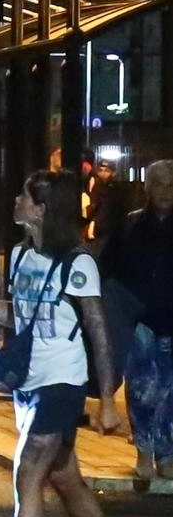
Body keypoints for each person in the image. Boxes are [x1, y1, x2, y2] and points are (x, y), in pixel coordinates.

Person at [0, 169, 122, 517]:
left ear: (41, 210)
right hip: (27, 381)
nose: (16, 201)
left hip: (61, 381)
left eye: (24, 197)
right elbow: (20, 319)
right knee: (64, 476)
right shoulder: (20, 256)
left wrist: (107, 401)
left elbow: (98, 330)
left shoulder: (78, 262)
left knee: (28, 470)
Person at [98, 159, 173, 479]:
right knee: (141, 387)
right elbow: (108, 269)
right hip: (138, 319)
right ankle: (144, 450)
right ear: (148, 188)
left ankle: (167, 454)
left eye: (171, 185)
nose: (165, 192)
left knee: (169, 391)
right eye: (159, 184)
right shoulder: (130, 226)